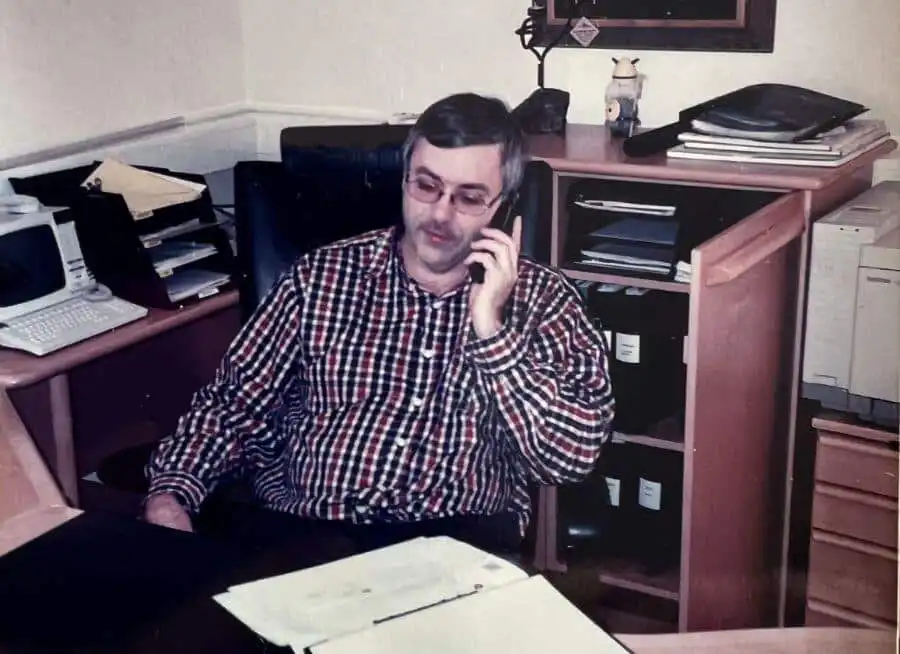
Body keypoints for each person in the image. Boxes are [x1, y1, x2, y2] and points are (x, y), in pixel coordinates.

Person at [143, 92, 614, 552]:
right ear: (404, 177)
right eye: (426, 186)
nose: (440, 214)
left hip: (451, 544)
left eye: (469, 197)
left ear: (503, 205)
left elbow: (570, 460)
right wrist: (170, 494)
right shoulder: (321, 277)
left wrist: (491, 332)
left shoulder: (545, 300)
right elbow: (234, 404)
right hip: (305, 528)